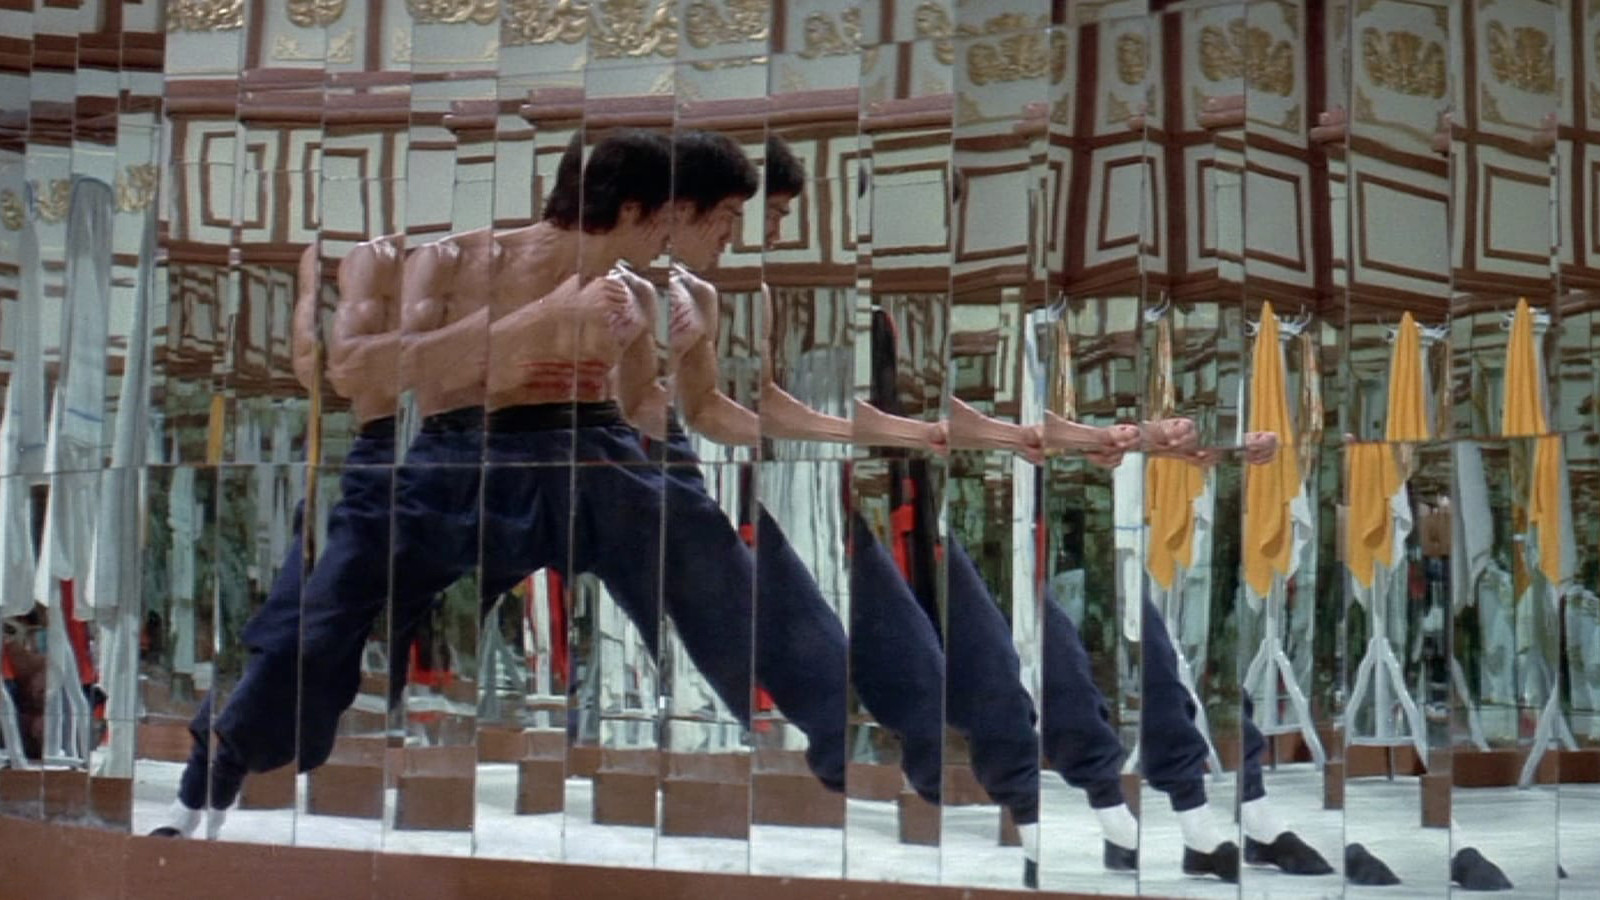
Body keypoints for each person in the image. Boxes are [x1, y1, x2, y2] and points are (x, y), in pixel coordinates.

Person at [153, 235, 405, 838]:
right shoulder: (355, 353)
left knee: (296, 657)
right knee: (278, 651)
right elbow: (309, 358)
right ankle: (198, 806)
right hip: (338, 504)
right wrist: (307, 284)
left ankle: (203, 803)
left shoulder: (412, 343)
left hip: (386, 506)